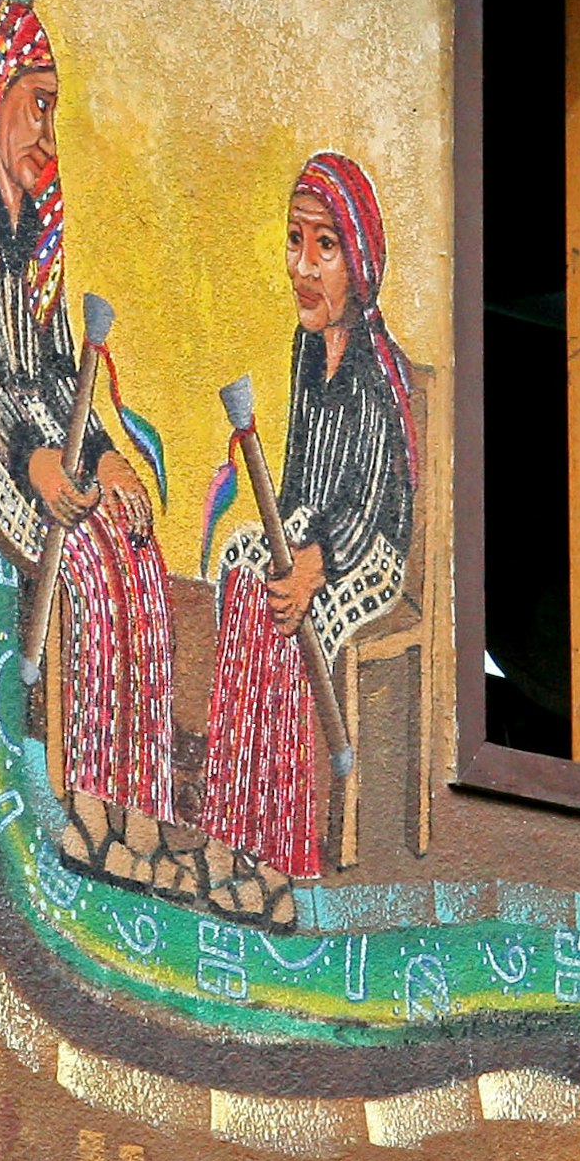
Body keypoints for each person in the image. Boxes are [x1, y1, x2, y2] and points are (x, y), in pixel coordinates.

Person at [0, 0, 181, 889]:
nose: (46, 129)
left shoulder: (35, 218)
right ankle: (84, 806)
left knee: (135, 550)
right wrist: (29, 455)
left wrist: (104, 454)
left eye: (54, 108)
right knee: (84, 558)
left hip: (36, 433)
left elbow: (49, 361)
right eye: (36, 102)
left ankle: (136, 811)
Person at [194, 154, 416, 927]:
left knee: (295, 622)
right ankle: (232, 817)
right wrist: (278, 538)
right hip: (315, 528)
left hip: (366, 553)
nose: (304, 266)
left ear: (359, 261)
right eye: (294, 242)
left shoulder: (376, 372)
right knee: (239, 565)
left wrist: (313, 564)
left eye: (324, 246)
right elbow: (299, 485)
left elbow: (374, 503)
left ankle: (279, 849)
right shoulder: (302, 350)